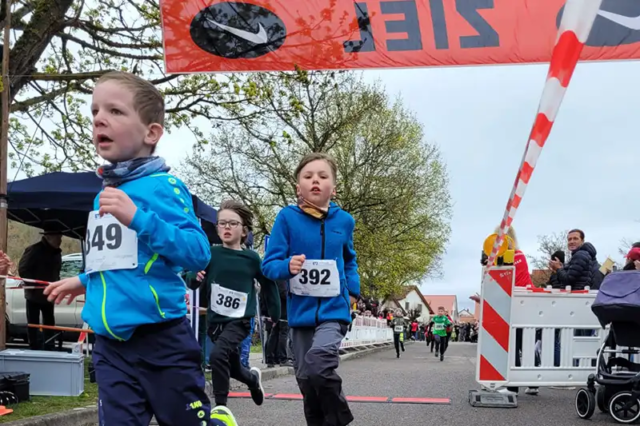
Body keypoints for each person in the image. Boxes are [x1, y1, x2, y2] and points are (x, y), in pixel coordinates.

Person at [43, 71, 213, 425]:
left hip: (160, 339)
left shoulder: (164, 186)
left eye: (116, 111)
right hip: (110, 345)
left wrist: (140, 218)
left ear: (151, 133)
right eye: (95, 112)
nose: (100, 119)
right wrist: (87, 280)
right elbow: (123, 261)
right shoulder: (101, 195)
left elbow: (198, 252)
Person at [262, 152, 359, 426]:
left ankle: (340, 419)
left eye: (322, 176)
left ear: (334, 187)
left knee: (319, 364)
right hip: (301, 311)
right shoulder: (287, 218)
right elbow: (269, 265)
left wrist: (352, 290)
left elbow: (350, 259)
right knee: (306, 380)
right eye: (308, 176)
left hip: (334, 309)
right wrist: (287, 266)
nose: (315, 181)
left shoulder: (345, 221)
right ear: (298, 187)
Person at [187, 200, 280, 426]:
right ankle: (252, 380)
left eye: (232, 223)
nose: (226, 228)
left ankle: (220, 409)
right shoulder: (211, 254)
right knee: (233, 367)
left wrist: (275, 314)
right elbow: (192, 279)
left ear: (244, 230)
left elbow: (268, 284)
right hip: (216, 322)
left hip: (240, 322)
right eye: (222, 223)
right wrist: (195, 277)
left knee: (217, 356)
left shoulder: (251, 259)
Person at [18, 230, 62, 350]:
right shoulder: (34, 250)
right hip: (34, 294)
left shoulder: (56, 253)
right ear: (48, 237)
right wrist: (34, 284)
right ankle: (34, 348)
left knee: (49, 322)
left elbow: (56, 271)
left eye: (60, 237)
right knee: (33, 323)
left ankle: (50, 346)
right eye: (57, 237)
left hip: (49, 294)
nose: (60, 240)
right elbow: (23, 268)